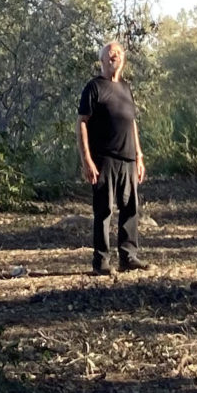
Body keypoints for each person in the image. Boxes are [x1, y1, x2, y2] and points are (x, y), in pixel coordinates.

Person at [76, 37, 146, 273]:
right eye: (110, 53)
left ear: (123, 60)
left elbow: (132, 122)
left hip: (128, 158)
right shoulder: (94, 87)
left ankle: (128, 256)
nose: (114, 55)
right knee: (104, 210)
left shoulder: (126, 88)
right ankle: (101, 261)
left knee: (129, 209)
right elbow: (82, 122)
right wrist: (86, 158)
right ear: (102, 59)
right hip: (103, 159)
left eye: (118, 53)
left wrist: (139, 156)